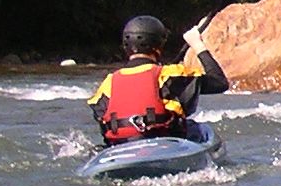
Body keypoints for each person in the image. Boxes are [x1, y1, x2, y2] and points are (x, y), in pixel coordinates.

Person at [88, 15, 229, 145]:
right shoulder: (169, 74)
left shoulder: (109, 82)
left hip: (120, 145)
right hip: (163, 141)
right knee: (203, 130)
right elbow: (219, 83)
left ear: (126, 47)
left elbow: (100, 116)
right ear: (158, 46)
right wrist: (197, 44)